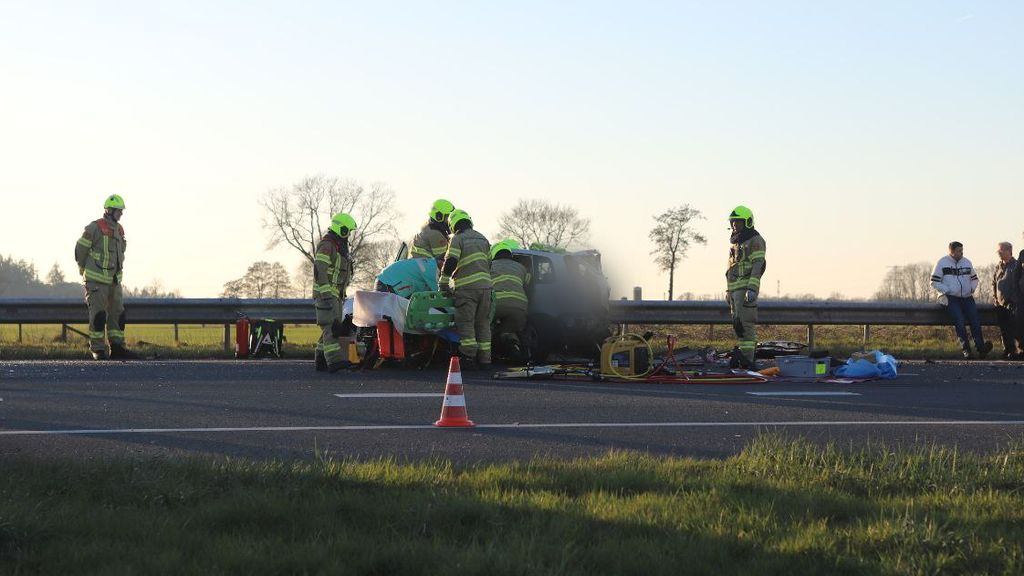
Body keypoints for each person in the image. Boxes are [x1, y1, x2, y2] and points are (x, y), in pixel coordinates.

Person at [74, 195, 138, 360]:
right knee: (98, 316)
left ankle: (117, 347)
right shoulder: (95, 228)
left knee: (118, 315)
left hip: (114, 282)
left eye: (121, 211)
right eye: (119, 211)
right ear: (109, 211)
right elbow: (80, 250)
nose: (121, 214)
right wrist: (83, 269)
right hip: (96, 282)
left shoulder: (119, 230)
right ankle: (98, 350)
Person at [439, 209, 492, 369]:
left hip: (467, 289)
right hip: (486, 288)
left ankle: (468, 357)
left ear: (453, 224)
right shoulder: (483, 238)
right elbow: (489, 264)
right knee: (483, 323)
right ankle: (485, 359)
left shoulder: (458, 238)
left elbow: (451, 261)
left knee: (466, 322)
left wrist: (444, 281)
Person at [931, 241, 993, 359]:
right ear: (952, 251)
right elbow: (933, 281)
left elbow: (974, 279)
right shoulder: (942, 262)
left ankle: (981, 348)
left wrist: (971, 288)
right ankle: (966, 350)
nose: (962, 252)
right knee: (959, 321)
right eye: (959, 250)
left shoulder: (967, 262)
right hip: (950, 298)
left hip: (966, 297)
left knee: (975, 320)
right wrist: (947, 290)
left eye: (962, 250)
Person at [313, 212, 357, 373]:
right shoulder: (327, 246)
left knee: (331, 327)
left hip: (335, 295)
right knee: (331, 327)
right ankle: (334, 361)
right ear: (342, 229)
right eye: (348, 231)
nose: (349, 235)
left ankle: (321, 359)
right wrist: (325, 294)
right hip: (327, 295)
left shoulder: (338, 247)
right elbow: (320, 271)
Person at [725, 206, 766, 369]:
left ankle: (748, 360)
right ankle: (743, 357)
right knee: (738, 325)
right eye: (733, 222)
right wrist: (728, 290)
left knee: (746, 325)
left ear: (747, 222)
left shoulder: (755, 240)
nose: (735, 225)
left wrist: (752, 289)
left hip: (746, 291)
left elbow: (758, 266)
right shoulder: (736, 243)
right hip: (735, 292)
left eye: (738, 222)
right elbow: (730, 269)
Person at [490, 239, 530, 361]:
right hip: (519, 306)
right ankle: (514, 348)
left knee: (485, 327)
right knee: (509, 330)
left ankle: (485, 355)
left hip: (497, 304)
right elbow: (528, 283)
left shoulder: (489, 266)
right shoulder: (521, 267)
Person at [992, 242, 1023, 359]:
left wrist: (1015, 299)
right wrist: (995, 298)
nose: (999, 253)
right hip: (1000, 304)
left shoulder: (1016, 265)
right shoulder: (998, 266)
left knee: (1016, 328)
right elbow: (994, 283)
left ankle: (1018, 351)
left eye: (1001, 250)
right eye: (998, 251)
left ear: (1009, 251)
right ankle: (1008, 350)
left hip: (1013, 303)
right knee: (1004, 329)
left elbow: (1018, 283)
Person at [409, 199, 455, 263]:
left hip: (420, 267)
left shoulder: (428, 228)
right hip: (425, 269)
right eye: (448, 218)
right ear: (439, 216)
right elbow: (444, 261)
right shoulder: (435, 234)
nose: (450, 222)